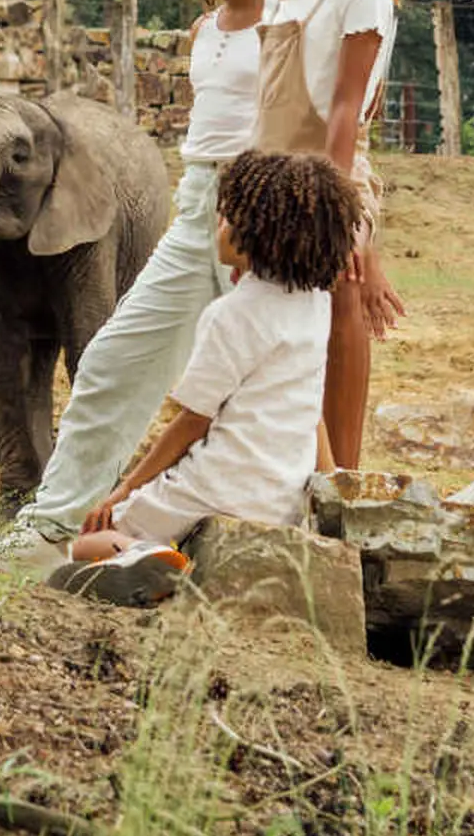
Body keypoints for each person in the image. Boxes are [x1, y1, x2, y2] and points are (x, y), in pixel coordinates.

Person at [0, 0, 286, 579]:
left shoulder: (291, 17)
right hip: (196, 202)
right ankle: (48, 528)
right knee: (111, 359)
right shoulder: (206, 30)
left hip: (259, 209)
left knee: (254, 381)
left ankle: (267, 533)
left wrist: (276, 218)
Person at [52, 149, 358, 603]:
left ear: (253, 235)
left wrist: (124, 491)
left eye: (225, 217)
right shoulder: (316, 305)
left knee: (77, 545)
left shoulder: (230, 315)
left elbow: (193, 423)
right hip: (281, 500)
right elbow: (312, 412)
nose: (218, 225)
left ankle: (146, 554)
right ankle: (176, 562)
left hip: (214, 486)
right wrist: (332, 488)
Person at [259, 0, 408, 468]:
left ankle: (342, 473)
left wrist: (340, 220)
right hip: (269, 171)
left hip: (336, 173)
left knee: (340, 284)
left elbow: (345, 111)